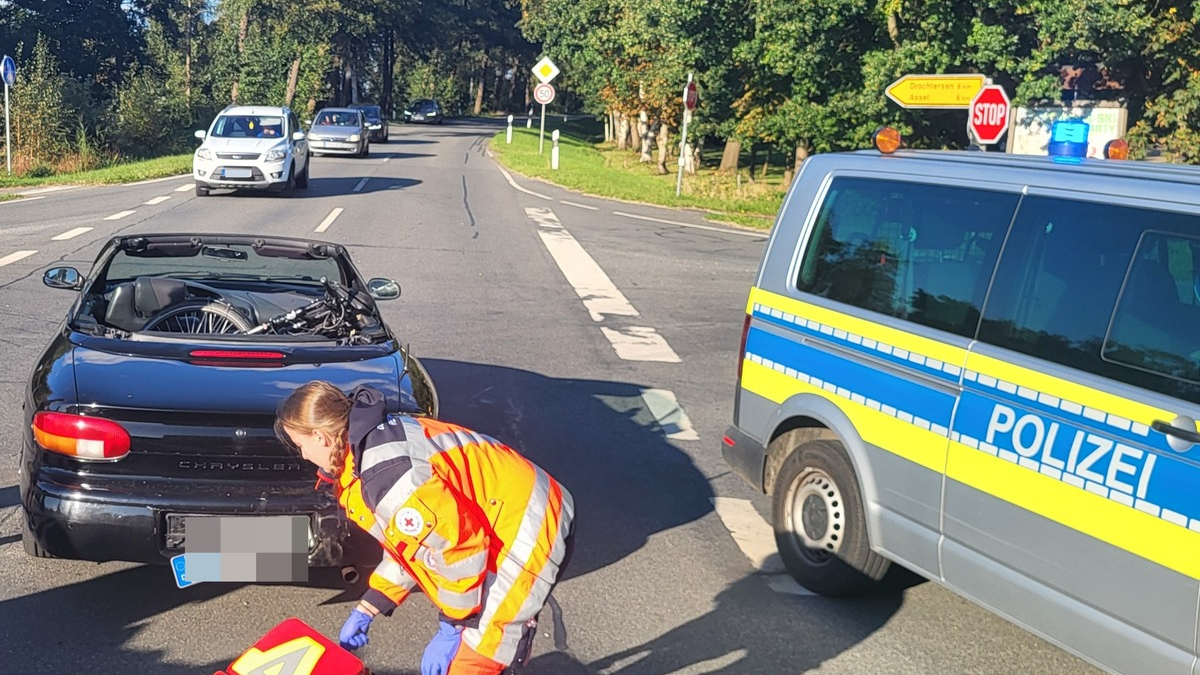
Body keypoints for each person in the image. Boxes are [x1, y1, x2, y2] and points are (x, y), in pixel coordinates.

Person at [275, 381, 575, 675]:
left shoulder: (387, 475)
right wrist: (372, 603)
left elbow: (460, 549)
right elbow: (412, 544)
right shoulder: (364, 454)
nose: (303, 455)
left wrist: (453, 624)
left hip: (528, 521)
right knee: (473, 644)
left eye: (301, 445)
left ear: (321, 437)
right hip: (499, 512)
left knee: (475, 654)